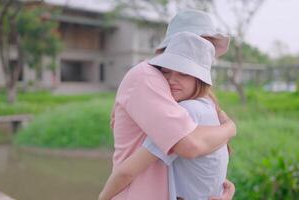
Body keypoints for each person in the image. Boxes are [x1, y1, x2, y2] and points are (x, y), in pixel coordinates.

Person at [100, 9, 236, 200]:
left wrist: (218, 189)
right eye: (203, 42)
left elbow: (204, 154)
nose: (207, 52)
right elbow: (190, 145)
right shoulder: (147, 77)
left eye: (210, 46)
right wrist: (230, 128)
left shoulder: (194, 99)